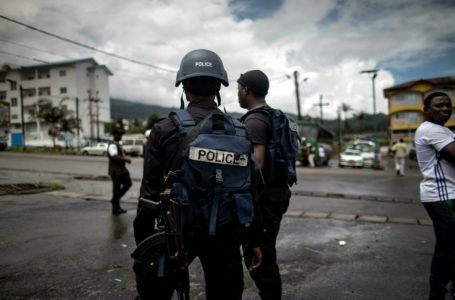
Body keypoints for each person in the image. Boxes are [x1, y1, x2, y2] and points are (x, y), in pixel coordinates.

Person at [133, 49, 262, 300]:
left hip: (177, 230)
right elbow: (252, 191)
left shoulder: (164, 129)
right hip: (226, 232)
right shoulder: (240, 131)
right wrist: (253, 240)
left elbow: (148, 196)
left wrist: (146, 247)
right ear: (218, 88)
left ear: (184, 87)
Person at [238, 70, 291, 300]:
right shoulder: (273, 115)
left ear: (246, 90)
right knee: (264, 254)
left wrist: (245, 201)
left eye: (238, 88)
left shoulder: (254, 120)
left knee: (260, 258)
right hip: (278, 192)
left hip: (264, 198)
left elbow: (256, 168)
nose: (237, 93)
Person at [415, 91, 455, 300]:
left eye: (448, 105)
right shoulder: (432, 130)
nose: (445, 109)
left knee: (445, 248)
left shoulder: (441, 130)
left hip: (444, 195)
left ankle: (437, 293)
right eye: (439, 105)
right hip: (443, 195)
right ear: (426, 110)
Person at [107, 126, 132, 214]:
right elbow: (114, 156)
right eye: (119, 134)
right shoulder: (113, 144)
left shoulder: (117, 143)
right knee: (116, 189)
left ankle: (115, 200)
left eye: (121, 134)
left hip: (122, 170)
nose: (121, 136)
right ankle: (116, 207)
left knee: (128, 183)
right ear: (115, 135)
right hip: (116, 171)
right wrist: (125, 159)